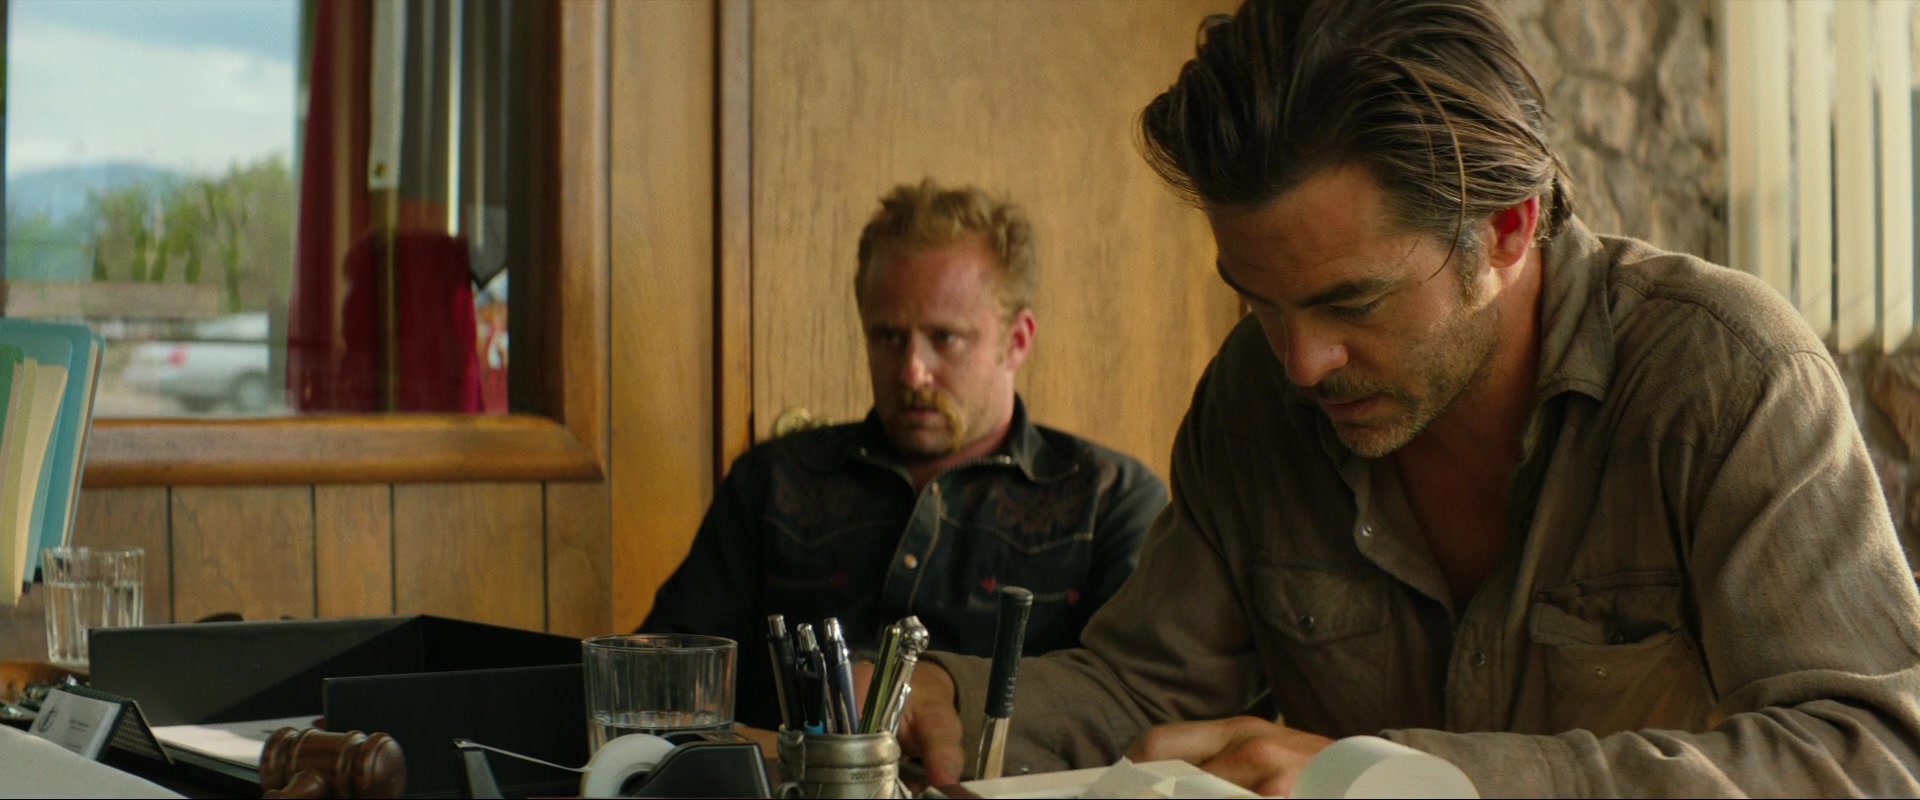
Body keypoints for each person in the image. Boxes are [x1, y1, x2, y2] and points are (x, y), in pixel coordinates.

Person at [890, 0, 1920, 795]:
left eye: (1352, 302)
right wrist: (937, 696)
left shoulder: (1726, 378)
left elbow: (1871, 753)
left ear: (1508, 228)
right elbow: (1144, 690)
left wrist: (1414, 781)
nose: (1302, 363)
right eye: (1258, 302)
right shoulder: (1254, 396)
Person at [641, 179, 1168, 730]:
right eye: (889, 338)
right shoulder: (774, 481)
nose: (912, 373)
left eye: (945, 338)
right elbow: (666, 678)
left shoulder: (1108, 501)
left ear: (1017, 341)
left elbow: (1127, 700)